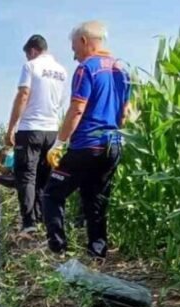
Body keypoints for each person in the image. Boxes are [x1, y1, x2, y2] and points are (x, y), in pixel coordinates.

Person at [42, 21, 131, 258]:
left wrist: (60, 143)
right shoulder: (122, 69)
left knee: (52, 194)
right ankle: (97, 251)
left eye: (74, 48)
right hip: (112, 146)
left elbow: (77, 110)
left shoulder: (86, 69)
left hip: (86, 146)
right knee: (95, 198)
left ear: (84, 41)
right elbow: (125, 114)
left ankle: (58, 248)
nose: (74, 55)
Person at [5, 35, 68, 233]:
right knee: (45, 177)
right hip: (52, 130)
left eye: (27, 55)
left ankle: (29, 224)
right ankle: (43, 219)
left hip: (30, 128)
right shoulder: (62, 71)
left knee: (26, 177)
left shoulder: (31, 66)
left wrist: (11, 127)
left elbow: (23, 95)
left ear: (32, 50)